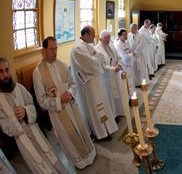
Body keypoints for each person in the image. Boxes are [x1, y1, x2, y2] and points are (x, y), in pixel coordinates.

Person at [33, 37, 96, 169]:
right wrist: (58, 99)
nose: (55, 52)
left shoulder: (61, 63)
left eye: (56, 48)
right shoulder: (38, 72)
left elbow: (73, 83)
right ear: (44, 50)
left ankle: (90, 154)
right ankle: (79, 161)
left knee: (80, 129)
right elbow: (41, 100)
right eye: (51, 49)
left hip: (71, 105)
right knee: (69, 137)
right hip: (58, 113)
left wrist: (70, 93)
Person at [0, 57, 67, 174]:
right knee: (39, 166)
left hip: (35, 131)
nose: (5, 74)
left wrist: (25, 111)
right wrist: (15, 118)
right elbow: (3, 125)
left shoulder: (19, 88)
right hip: (22, 139)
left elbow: (32, 105)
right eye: (1, 71)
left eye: (7, 70)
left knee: (51, 158)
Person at [70, 25, 118, 142]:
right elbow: (92, 64)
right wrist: (96, 59)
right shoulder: (78, 48)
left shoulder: (88, 45)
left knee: (102, 104)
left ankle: (106, 128)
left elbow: (99, 59)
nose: (94, 35)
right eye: (93, 33)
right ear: (86, 35)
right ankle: (99, 132)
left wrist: (96, 59)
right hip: (88, 84)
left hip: (96, 79)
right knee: (94, 108)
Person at [96, 30, 127, 121]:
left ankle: (119, 111)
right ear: (100, 39)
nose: (107, 43)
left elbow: (118, 56)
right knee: (110, 96)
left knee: (118, 93)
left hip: (115, 75)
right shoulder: (97, 50)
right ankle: (113, 115)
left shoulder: (111, 45)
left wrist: (120, 65)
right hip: (106, 77)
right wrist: (113, 69)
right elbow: (102, 65)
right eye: (105, 41)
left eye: (109, 40)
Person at [114, 28, 136, 98]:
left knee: (131, 82)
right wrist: (131, 54)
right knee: (126, 83)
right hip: (124, 67)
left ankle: (132, 96)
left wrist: (130, 54)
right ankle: (127, 98)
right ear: (120, 36)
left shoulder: (126, 43)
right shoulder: (118, 45)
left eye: (126, 34)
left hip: (129, 67)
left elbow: (129, 52)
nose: (126, 36)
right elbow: (123, 57)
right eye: (124, 34)